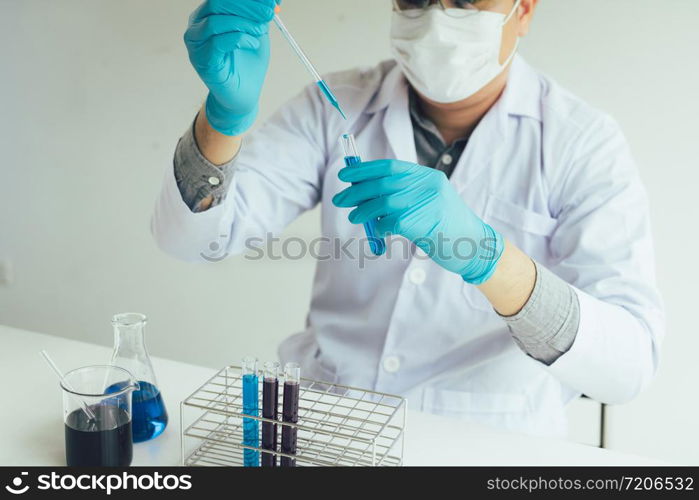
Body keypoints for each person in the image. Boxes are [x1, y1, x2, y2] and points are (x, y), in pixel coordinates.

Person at [151, 0, 665, 436]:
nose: (437, 19)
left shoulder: (581, 142)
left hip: (485, 445)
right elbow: (189, 239)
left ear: (523, 9)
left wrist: (491, 260)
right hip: (328, 427)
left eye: (465, 0)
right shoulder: (337, 106)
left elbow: (628, 366)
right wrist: (223, 118)